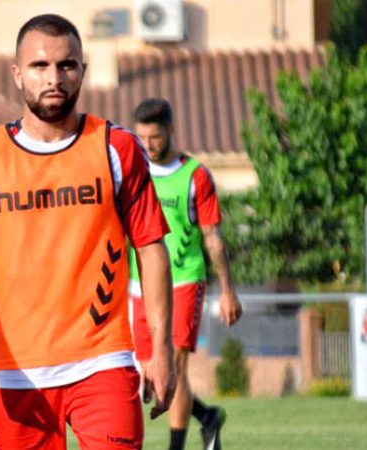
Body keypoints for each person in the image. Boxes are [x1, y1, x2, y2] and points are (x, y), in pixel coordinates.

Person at [0, 14, 176, 450]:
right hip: (14, 374)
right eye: (39, 66)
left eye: (67, 65)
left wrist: (162, 348)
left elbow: (151, 248)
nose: (54, 78)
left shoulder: (117, 149)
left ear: (83, 71)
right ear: (17, 73)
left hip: (103, 362)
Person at [129, 99, 243, 450]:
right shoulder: (134, 173)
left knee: (172, 364)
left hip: (184, 280)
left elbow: (212, 236)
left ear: (171, 131)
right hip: (140, 285)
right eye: (142, 137)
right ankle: (207, 417)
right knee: (146, 370)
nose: (148, 145)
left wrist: (227, 290)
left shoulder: (195, 176)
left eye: (155, 137)